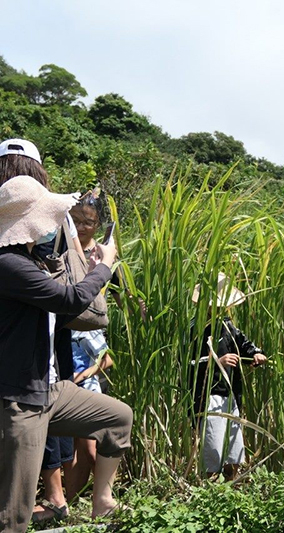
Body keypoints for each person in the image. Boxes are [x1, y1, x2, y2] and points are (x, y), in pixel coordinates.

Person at [0, 176, 133, 532]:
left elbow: (70, 309)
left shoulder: (34, 259)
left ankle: (102, 501)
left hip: (47, 389)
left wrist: (86, 271)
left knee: (118, 418)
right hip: (19, 401)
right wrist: (104, 267)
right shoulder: (9, 264)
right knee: (13, 518)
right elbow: (69, 300)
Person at [0, 138, 85, 524]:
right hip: (27, 375)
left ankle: (52, 501)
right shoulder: (19, 251)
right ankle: (50, 502)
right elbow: (69, 299)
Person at [63, 191, 120, 503]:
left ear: (99, 225)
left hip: (89, 351)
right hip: (62, 344)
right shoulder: (61, 252)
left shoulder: (103, 256)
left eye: (90, 221)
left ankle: (74, 501)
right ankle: (65, 502)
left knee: (88, 443)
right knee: (66, 444)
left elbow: (126, 295)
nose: (83, 226)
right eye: (77, 220)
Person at [189, 273, 267, 481]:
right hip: (208, 397)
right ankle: (210, 490)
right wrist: (216, 361)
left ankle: (233, 489)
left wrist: (256, 355)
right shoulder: (195, 329)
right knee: (213, 449)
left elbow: (246, 345)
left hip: (230, 394)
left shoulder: (228, 326)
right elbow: (188, 363)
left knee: (234, 450)